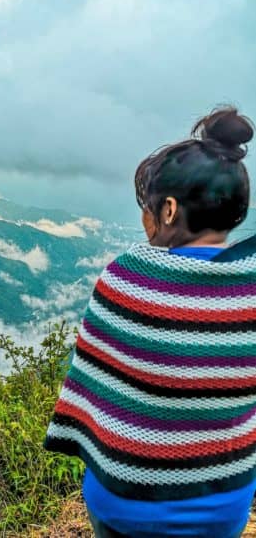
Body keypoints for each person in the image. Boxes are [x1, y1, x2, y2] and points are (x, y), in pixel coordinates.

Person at [44, 106, 256, 537]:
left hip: (125, 502)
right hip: (223, 504)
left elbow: (91, 379)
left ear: (170, 210)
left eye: (149, 208)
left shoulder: (126, 278)